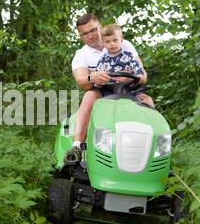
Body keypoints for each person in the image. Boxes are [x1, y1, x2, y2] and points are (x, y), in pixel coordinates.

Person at [65, 14, 153, 162]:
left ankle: (151, 148)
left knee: (147, 100)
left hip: (128, 90)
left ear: (100, 27)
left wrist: (131, 76)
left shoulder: (124, 45)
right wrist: (92, 77)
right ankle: (77, 145)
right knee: (89, 95)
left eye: (93, 30)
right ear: (81, 36)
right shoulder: (82, 55)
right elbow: (81, 81)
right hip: (102, 92)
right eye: (85, 34)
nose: (90, 35)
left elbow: (143, 75)